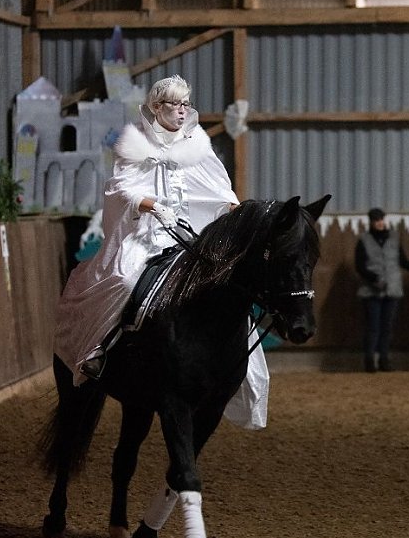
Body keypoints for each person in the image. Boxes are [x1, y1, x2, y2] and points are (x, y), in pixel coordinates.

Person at [53, 74, 269, 429]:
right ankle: (101, 349)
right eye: (175, 104)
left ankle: (231, 365)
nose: (183, 111)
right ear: (157, 107)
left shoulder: (196, 143)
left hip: (191, 233)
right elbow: (119, 189)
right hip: (145, 232)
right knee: (123, 279)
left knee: (226, 286)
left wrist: (236, 211)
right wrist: (151, 204)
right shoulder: (134, 143)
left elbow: (218, 188)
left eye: (186, 104)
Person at [355, 207, 409, 373]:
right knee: (373, 327)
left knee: (387, 327)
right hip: (371, 290)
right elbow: (359, 266)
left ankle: (384, 359)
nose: (380, 223)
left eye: (381, 220)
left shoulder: (394, 239)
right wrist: (374, 279)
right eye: (376, 220)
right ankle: (369, 360)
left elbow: (403, 261)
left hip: (392, 288)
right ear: (372, 222)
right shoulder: (364, 240)